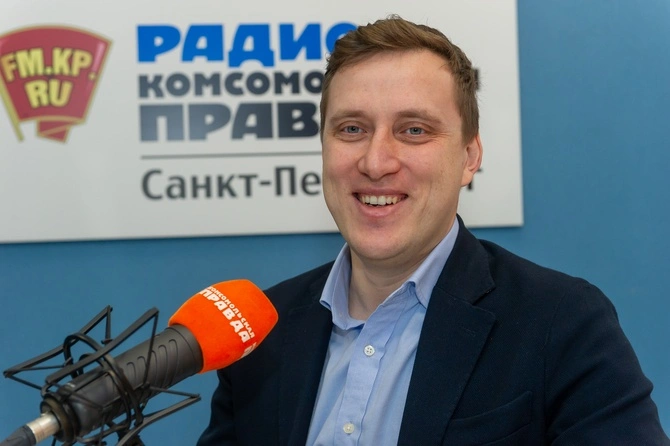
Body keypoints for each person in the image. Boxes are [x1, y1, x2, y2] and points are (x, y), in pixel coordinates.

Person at [196, 16, 669, 445]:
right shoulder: (263, 330)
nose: (376, 162)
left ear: (469, 157)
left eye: (414, 130)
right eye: (352, 129)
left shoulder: (560, 323)